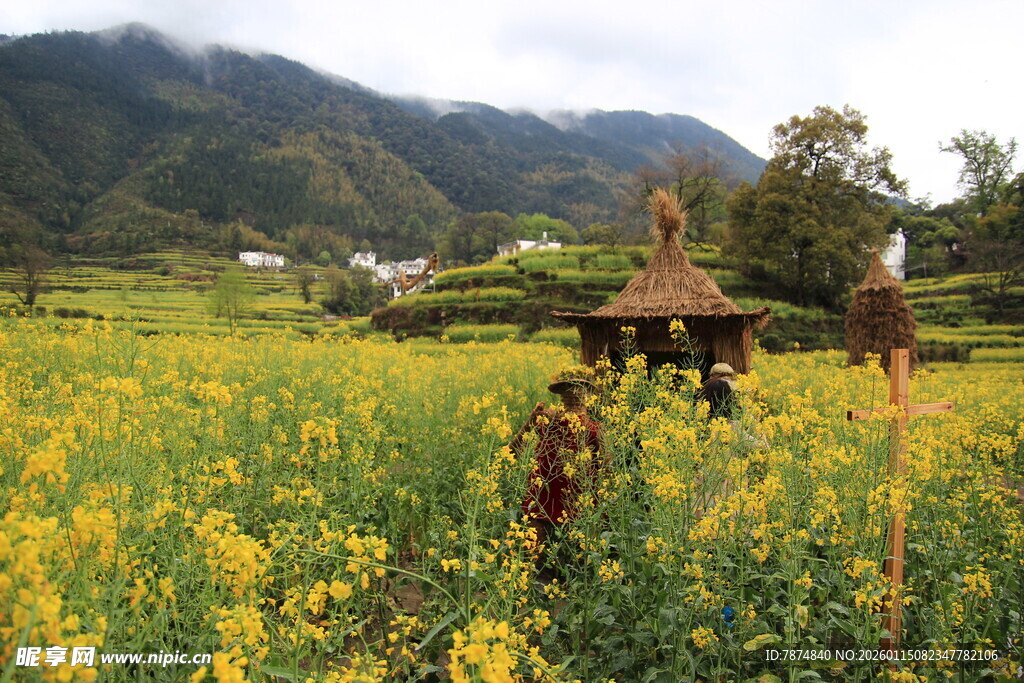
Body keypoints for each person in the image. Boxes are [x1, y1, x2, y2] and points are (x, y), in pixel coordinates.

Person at [511, 369, 602, 550]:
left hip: (545, 485)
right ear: (587, 396)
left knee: (536, 530)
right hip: (575, 492)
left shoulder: (548, 420)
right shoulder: (593, 427)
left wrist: (531, 421)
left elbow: (513, 449)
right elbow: (606, 465)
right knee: (582, 543)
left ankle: (531, 568)